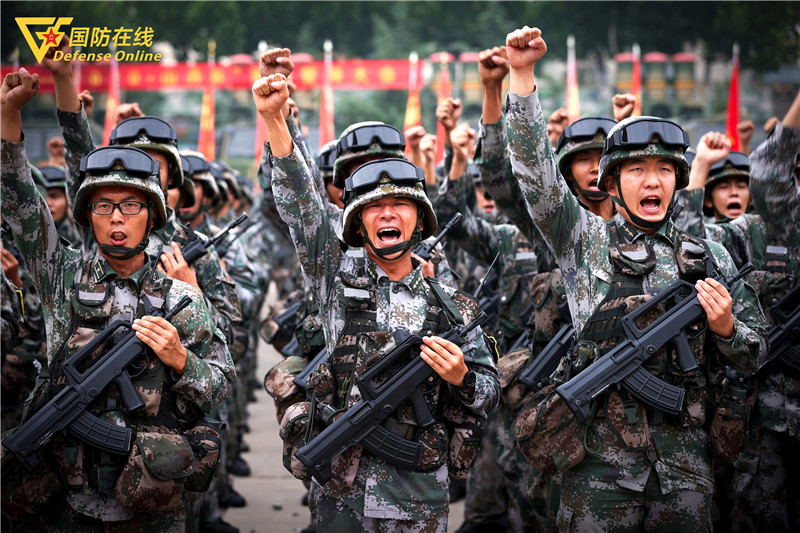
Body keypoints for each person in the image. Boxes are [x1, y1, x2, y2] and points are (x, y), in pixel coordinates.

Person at [503, 26, 768, 530]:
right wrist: (522, 76)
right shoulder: (584, 242)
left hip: (685, 470)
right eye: (637, 170)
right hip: (596, 468)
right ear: (612, 183)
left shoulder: (710, 256)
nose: (652, 181)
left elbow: (755, 354)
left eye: (664, 170)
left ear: (678, 180)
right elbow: (536, 175)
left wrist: (728, 329)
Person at [255, 72, 499, 533]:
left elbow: (490, 391)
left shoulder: (454, 307)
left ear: (420, 220)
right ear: (357, 223)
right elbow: (302, 207)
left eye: (401, 204)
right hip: (341, 495)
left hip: (419, 497)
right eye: (373, 206)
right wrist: (274, 121)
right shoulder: (335, 281)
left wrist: (462, 378)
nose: (388, 212)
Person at [1, 67, 235, 530]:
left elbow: (220, 387)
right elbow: (18, 199)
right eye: (103, 206)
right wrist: (8, 116)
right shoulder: (62, 275)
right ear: (88, 214)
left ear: (152, 215)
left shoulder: (182, 297)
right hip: (68, 500)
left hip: (153, 499)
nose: (116, 218)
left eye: (131, 205)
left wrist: (181, 360)